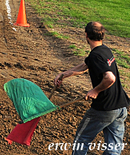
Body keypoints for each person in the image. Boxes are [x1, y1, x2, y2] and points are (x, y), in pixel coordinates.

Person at [54, 22, 129, 155]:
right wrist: (63, 75)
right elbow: (84, 66)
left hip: (104, 108)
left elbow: (110, 78)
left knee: (81, 139)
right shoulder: (104, 50)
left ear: (86, 35)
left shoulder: (96, 56)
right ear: (102, 35)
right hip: (120, 106)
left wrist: (95, 90)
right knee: (114, 147)